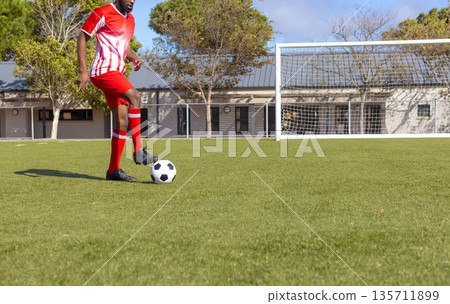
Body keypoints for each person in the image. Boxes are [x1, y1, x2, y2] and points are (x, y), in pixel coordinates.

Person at [77, 0, 157, 181]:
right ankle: (138, 151)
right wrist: (83, 72)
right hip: (103, 72)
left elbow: (121, 45)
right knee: (135, 97)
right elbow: (83, 36)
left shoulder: (131, 20)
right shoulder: (102, 12)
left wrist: (132, 57)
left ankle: (113, 171)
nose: (132, 1)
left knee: (121, 123)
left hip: (117, 73)